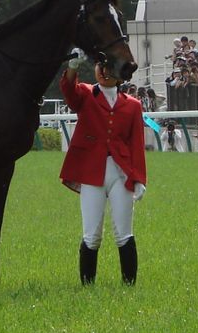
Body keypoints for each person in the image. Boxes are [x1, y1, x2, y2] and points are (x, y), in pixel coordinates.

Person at [59, 56, 147, 286]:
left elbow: (136, 144)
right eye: (101, 67)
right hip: (91, 171)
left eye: (109, 68)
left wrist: (139, 178)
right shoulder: (86, 94)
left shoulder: (133, 105)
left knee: (124, 232)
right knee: (92, 233)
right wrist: (72, 68)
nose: (104, 72)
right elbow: (69, 91)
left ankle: (129, 285)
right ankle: (88, 286)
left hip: (122, 172)